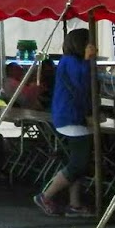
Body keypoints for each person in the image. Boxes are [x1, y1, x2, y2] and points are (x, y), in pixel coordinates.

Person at [34, 27, 96, 218]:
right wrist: (88, 59)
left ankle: (74, 204)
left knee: (76, 162)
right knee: (79, 163)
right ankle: (46, 195)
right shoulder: (71, 61)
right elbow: (82, 83)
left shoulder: (67, 61)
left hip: (70, 115)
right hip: (72, 116)